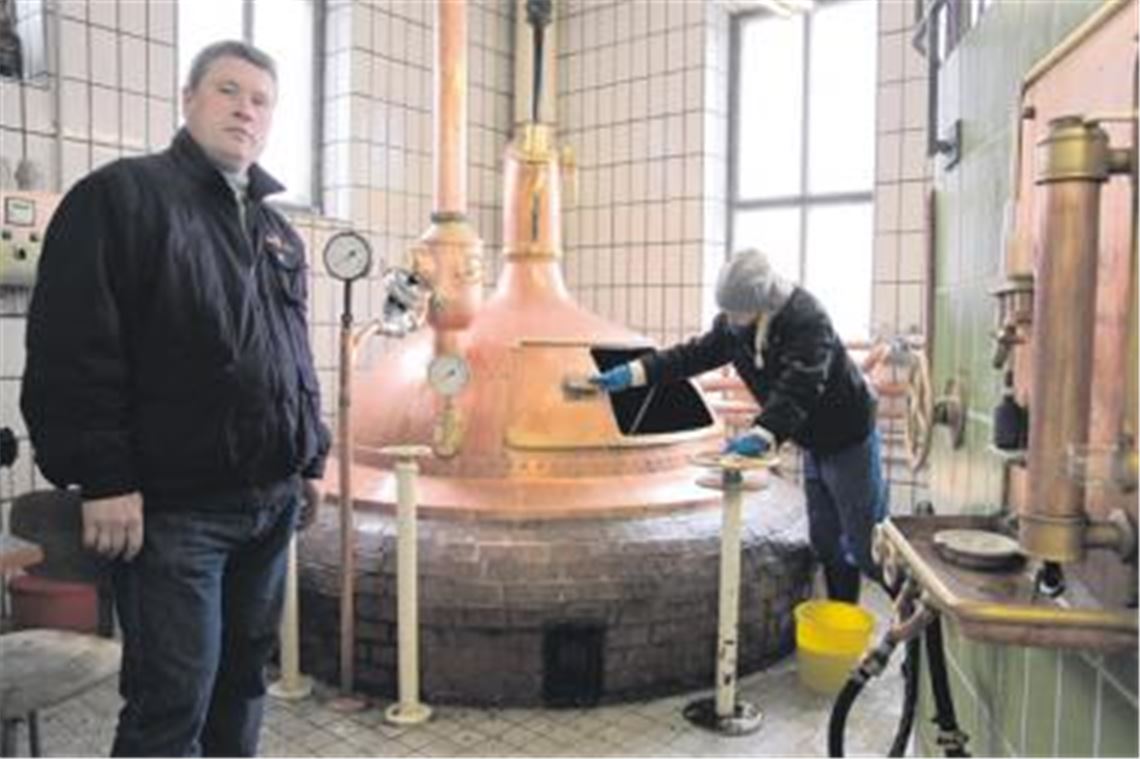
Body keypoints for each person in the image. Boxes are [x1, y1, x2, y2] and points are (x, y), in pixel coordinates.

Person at [21, 40, 329, 757]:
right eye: (228, 90)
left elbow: (292, 356)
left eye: (261, 100)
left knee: (242, 684)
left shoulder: (277, 232)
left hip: (270, 502)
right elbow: (74, 347)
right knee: (171, 702)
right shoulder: (122, 197)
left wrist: (310, 456)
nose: (245, 110)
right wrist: (105, 477)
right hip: (176, 511)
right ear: (187, 99)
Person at [590, 248, 887, 603]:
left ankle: (910, 616)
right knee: (826, 542)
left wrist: (763, 433)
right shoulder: (735, 326)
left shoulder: (808, 319)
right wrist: (636, 373)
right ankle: (842, 614)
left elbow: (801, 385)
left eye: (736, 312)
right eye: (726, 311)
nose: (729, 319)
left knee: (866, 545)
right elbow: (691, 356)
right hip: (813, 441)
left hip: (849, 437)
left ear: (760, 302)